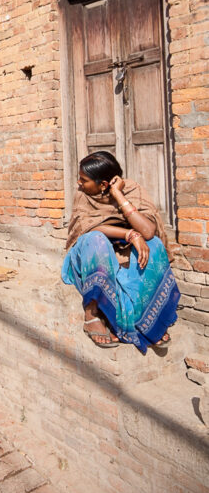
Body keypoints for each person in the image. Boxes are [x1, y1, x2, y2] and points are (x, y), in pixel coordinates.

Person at [61, 151, 180, 353]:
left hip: (124, 252)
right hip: (92, 254)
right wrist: (130, 235)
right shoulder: (83, 195)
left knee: (155, 245)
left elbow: (148, 230)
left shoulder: (133, 190)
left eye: (84, 180)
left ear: (104, 185)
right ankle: (92, 314)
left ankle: (147, 317)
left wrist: (118, 195)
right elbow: (87, 227)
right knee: (96, 241)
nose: (79, 183)